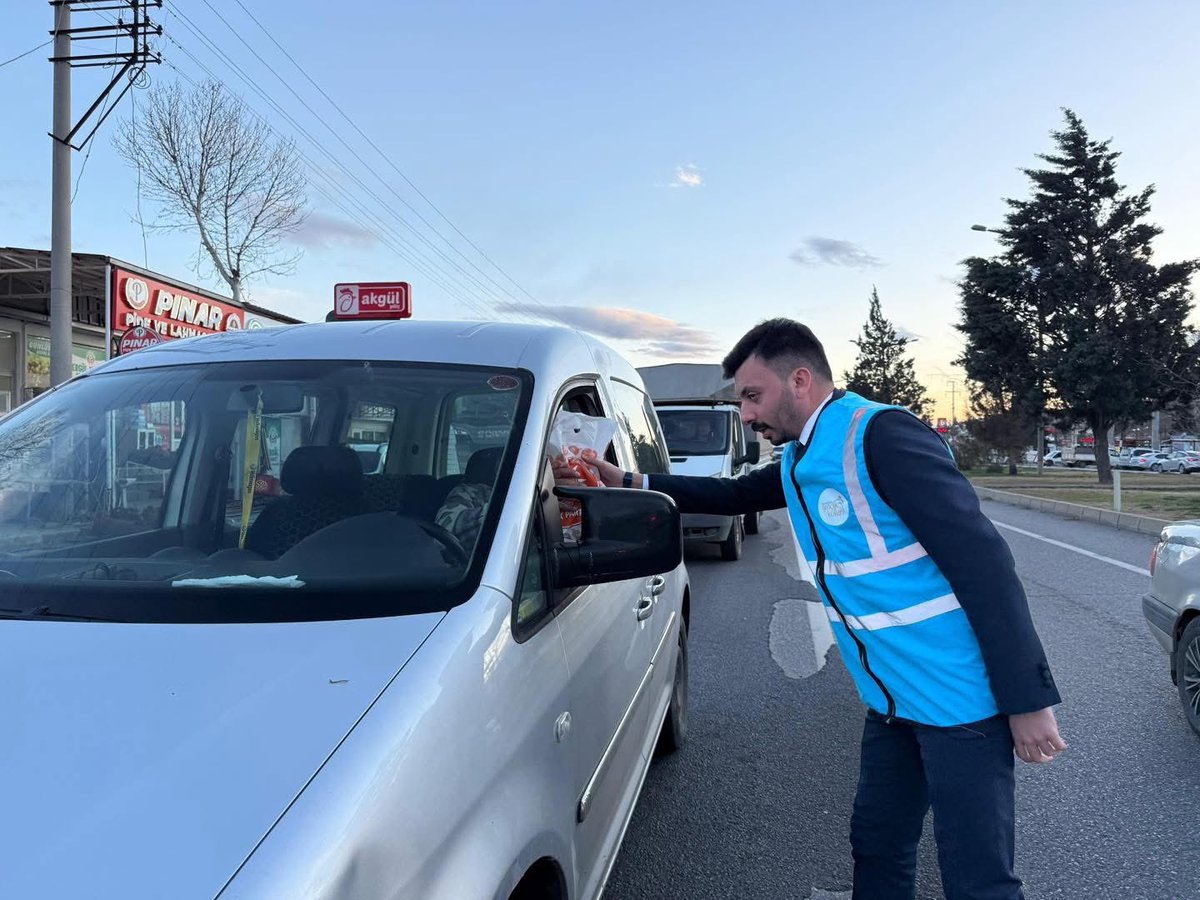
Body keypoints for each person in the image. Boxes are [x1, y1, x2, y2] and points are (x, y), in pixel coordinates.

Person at [558, 318, 1065, 900]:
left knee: (978, 880)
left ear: (800, 380)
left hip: (962, 706)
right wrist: (626, 479)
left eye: (753, 396)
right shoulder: (803, 455)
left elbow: (986, 567)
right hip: (892, 703)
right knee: (878, 845)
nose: (746, 415)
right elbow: (735, 494)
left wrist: (1027, 701)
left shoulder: (881, 436)